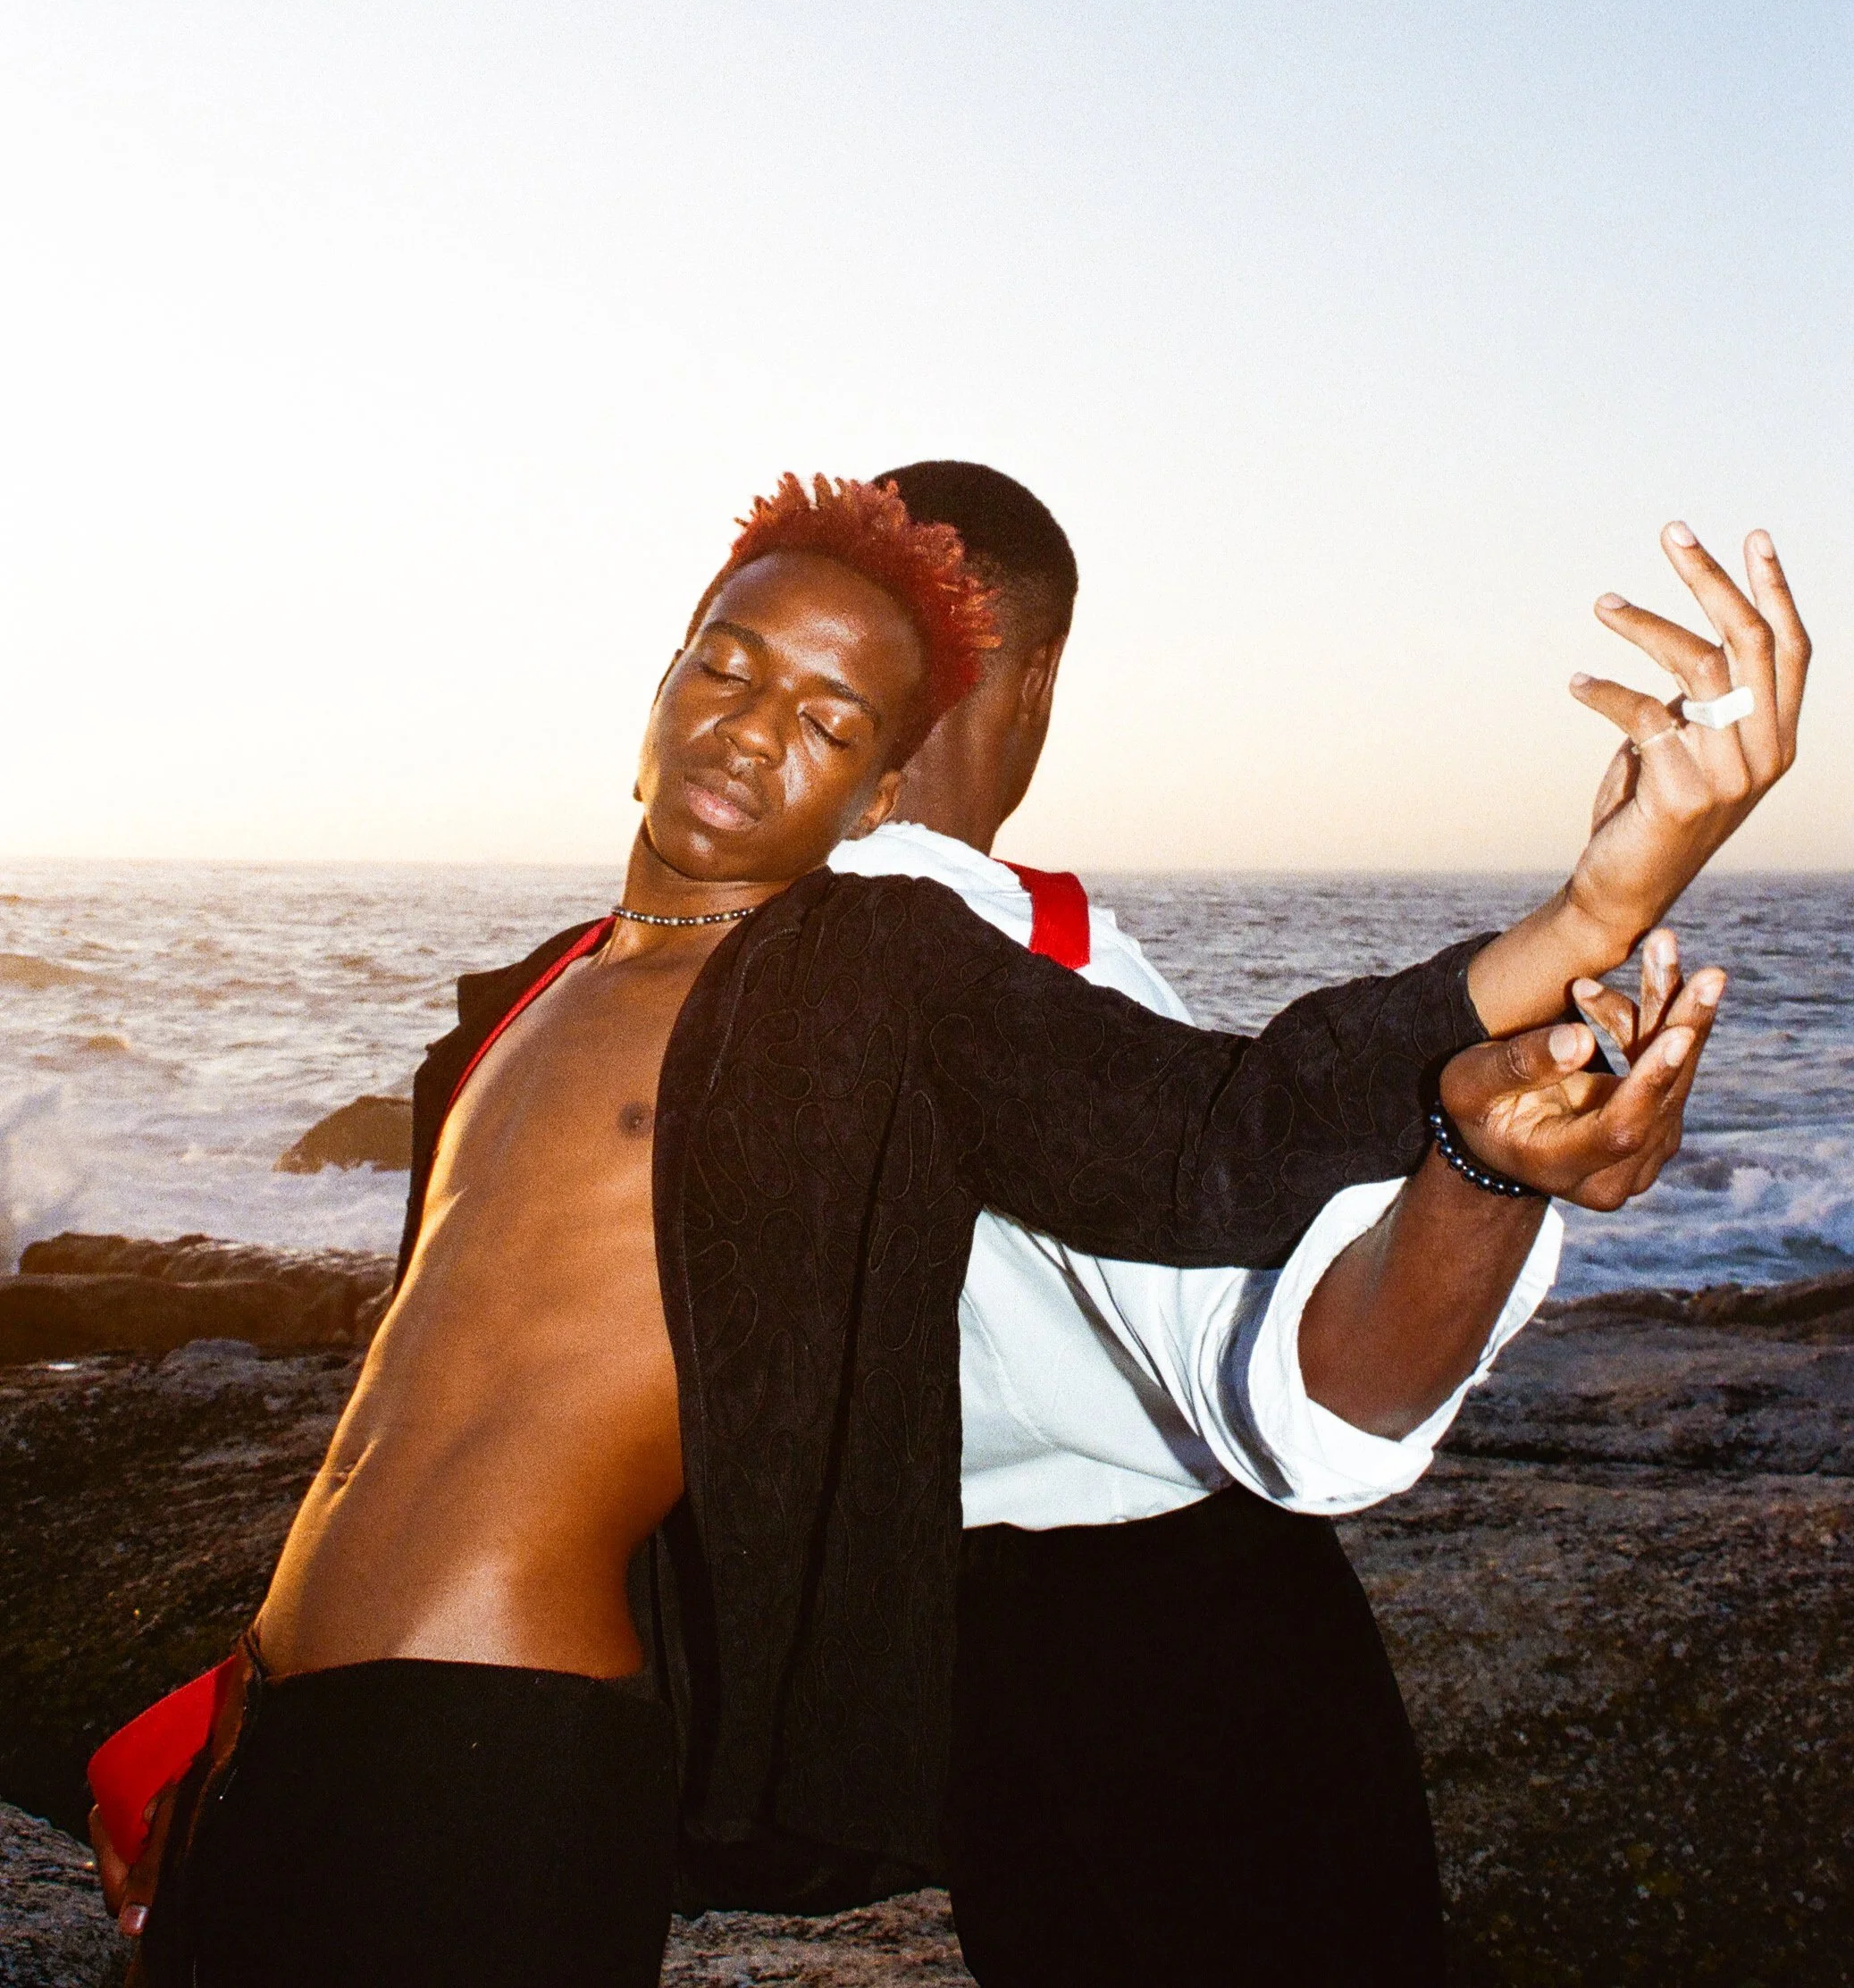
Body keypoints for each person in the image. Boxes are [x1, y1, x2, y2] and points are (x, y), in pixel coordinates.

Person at [88, 474, 1777, 1986]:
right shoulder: (524, 998)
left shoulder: (877, 970)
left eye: (829, 719)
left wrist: (1597, 909)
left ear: (884, 785)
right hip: (279, 1733)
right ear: (661, 678)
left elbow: (1228, 1122)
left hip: (498, 1744)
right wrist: (230, 1712)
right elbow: (427, 1408)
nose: (754, 731)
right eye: (729, 671)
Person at [827, 460, 1807, 1985]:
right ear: (1035, 674)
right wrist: (1495, 1160)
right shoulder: (1006, 951)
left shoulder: (706, 965)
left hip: (947, 1654)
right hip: (1183, 1631)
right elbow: (1309, 1391)